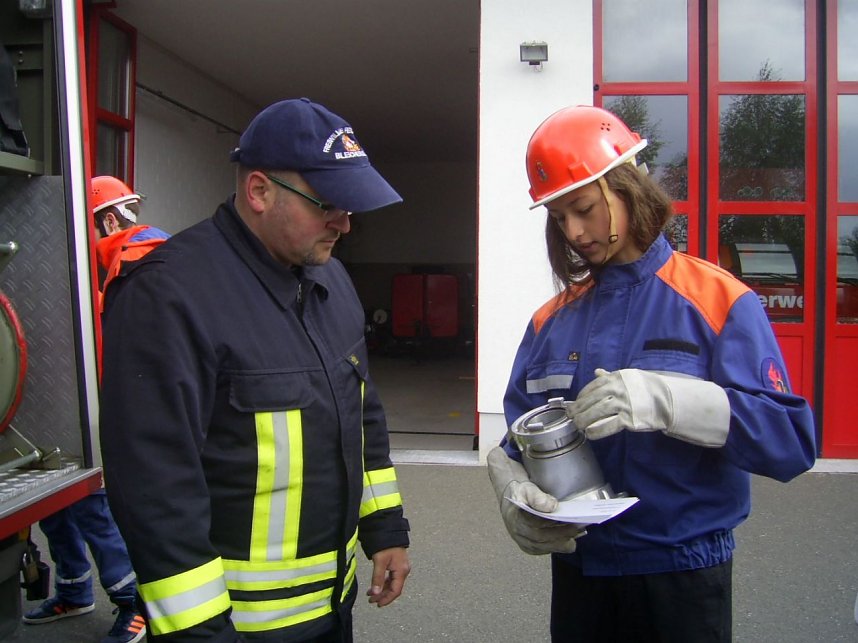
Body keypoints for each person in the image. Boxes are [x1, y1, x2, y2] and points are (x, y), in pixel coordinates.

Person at [488, 104, 817, 642]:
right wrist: (511, 487)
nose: (573, 231)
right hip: (581, 578)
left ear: (628, 186)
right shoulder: (551, 321)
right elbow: (519, 438)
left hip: (682, 576)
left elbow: (789, 445)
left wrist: (670, 401)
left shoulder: (717, 301)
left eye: (584, 208)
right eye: (557, 216)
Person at [98, 97, 411, 642]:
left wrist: (385, 528)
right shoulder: (168, 297)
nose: (345, 223)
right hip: (236, 629)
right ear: (260, 191)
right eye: (329, 204)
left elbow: (363, 419)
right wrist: (201, 634)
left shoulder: (331, 280)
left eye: (350, 206)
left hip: (333, 612)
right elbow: (156, 492)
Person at [22, 175, 167, 643]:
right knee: (53, 500)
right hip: (79, 400)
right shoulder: (111, 260)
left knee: (93, 505)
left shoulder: (141, 259)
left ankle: (134, 603)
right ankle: (73, 589)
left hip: (121, 407)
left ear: (106, 220)